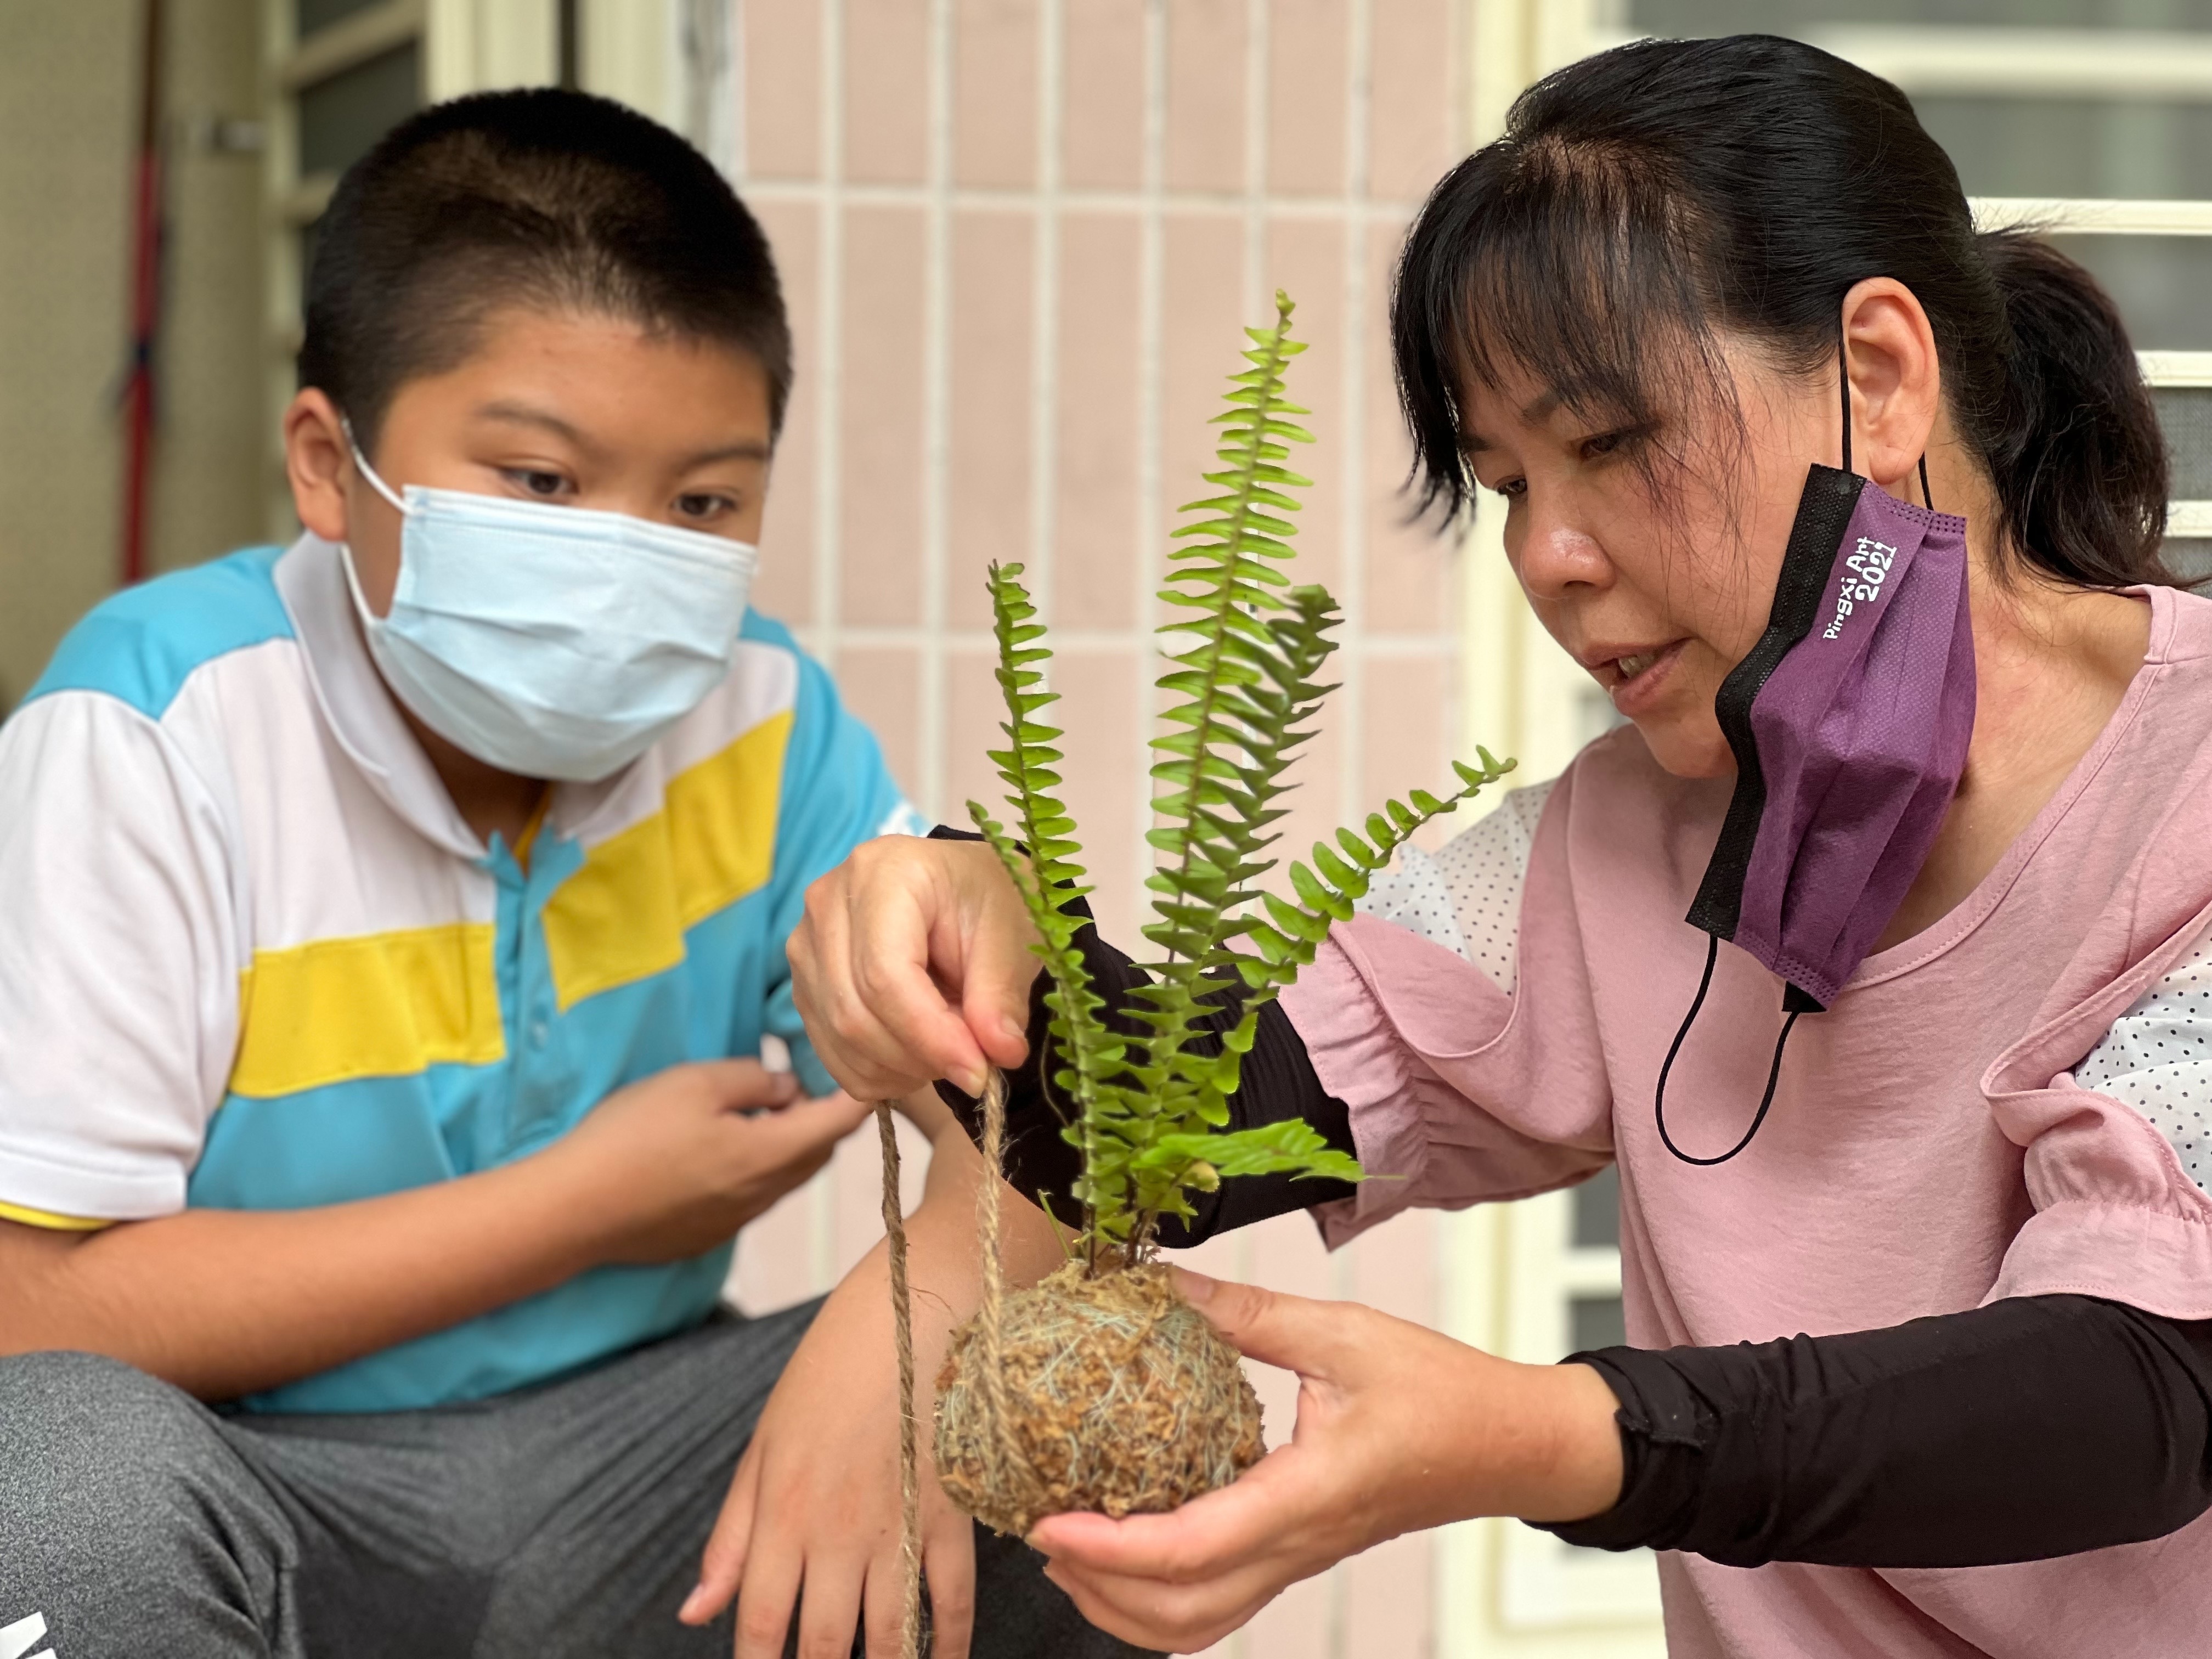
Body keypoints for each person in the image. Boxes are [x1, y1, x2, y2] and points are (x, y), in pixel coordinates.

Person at [787, 35, 2212, 1659]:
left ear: (1876, 378)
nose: (1549, 555)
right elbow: (1187, 1123)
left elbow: (2135, 1395)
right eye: (1503, 483)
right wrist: (982, 909)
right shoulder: (1608, 846)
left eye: (1605, 442)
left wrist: (1539, 1436)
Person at [0, 89, 1138, 1659]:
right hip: (257, 1482)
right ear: (331, 468)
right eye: (542, 483)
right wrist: (583, 1207)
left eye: (701, 503)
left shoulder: (766, 718)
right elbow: (32, 1314)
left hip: (644, 1472)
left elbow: (1062, 1097)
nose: (623, 560)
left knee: (1077, 1394)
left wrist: (915, 1343)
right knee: (44, 1482)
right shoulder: (150, 734)